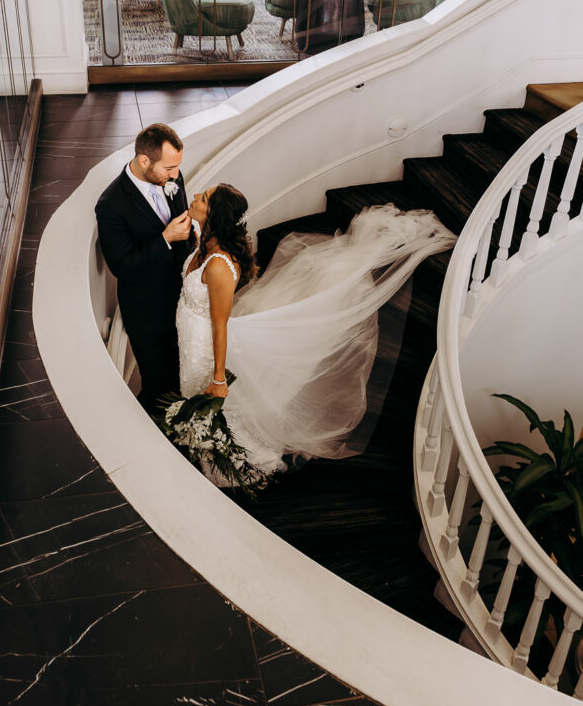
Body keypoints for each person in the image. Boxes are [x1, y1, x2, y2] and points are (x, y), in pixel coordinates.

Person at [177, 183, 456, 479]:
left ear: (215, 214)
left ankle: (231, 464)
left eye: (204, 197)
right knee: (196, 394)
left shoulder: (219, 266)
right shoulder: (205, 241)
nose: (195, 196)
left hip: (206, 343)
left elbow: (220, 325)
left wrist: (219, 377)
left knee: (213, 399)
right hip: (193, 339)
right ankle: (204, 444)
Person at [95, 123, 193, 414]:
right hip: (147, 312)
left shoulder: (172, 180)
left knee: (184, 373)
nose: (175, 174)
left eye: (177, 167)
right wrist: (164, 239)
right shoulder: (111, 205)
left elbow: (184, 232)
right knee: (158, 385)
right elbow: (122, 266)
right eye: (169, 167)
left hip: (184, 300)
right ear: (144, 161)